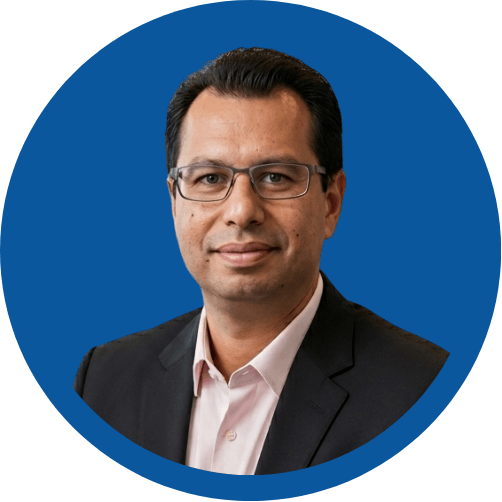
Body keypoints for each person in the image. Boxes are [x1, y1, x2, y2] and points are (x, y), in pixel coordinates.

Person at [73, 47, 449, 475]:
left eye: (275, 177)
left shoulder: (424, 391)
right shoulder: (103, 380)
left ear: (330, 203)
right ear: (175, 203)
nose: (241, 211)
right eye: (210, 178)